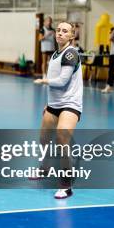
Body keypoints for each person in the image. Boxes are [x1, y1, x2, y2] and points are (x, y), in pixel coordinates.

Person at [34, 22, 83, 199]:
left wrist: (44, 81)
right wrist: (48, 104)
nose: (60, 33)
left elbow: (62, 81)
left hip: (70, 104)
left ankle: (66, 185)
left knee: (62, 139)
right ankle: (45, 168)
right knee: (43, 139)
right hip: (54, 104)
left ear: (72, 36)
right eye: (58, 30)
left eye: (65, 31)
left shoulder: (71, 53)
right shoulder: (55, 54)